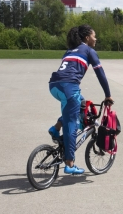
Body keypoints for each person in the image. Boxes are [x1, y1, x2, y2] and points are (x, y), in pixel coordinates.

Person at [48, 24, 113, 175]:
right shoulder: (89, 51)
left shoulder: (69, 51)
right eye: (94, 36)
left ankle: (56, 128)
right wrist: (108, 95)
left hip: (54, 86)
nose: (95, 38)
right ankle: (70, 164)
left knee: (81, 104)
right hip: (69, 87)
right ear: (86, 38)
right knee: (71, 123)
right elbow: (101, 74)